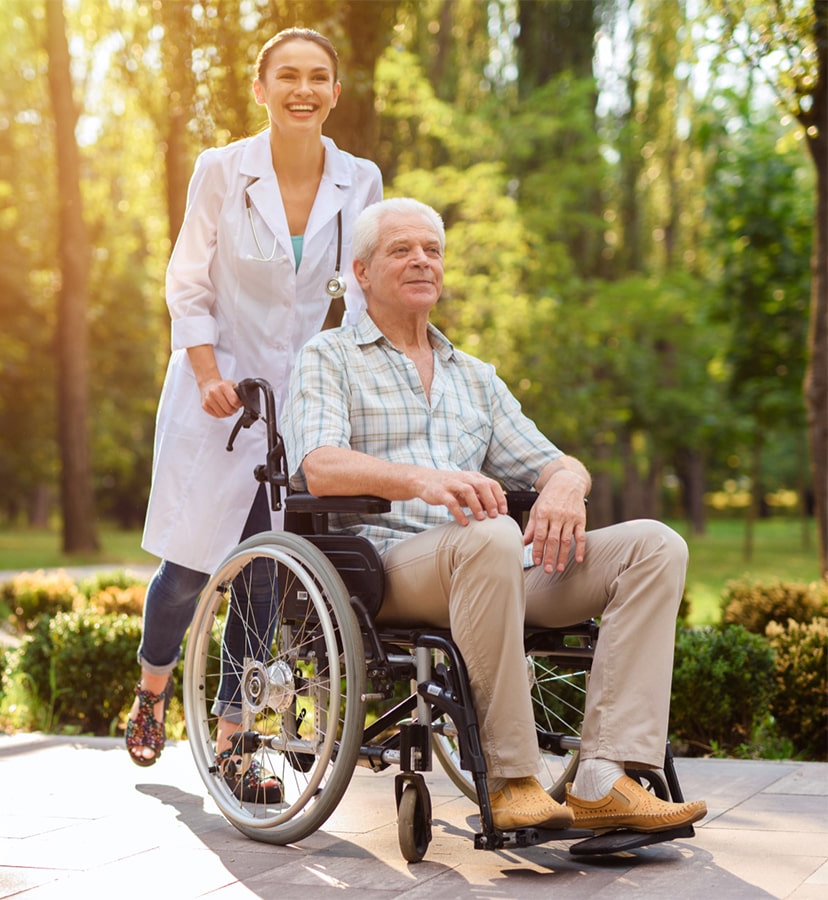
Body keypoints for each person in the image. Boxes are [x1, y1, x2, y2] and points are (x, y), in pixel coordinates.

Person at [281, 198, 707, 833]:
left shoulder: (473, 377)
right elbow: (320, 465)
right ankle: (512, 778)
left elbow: (551, 460)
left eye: (432, 250)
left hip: (500, 561)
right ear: (363, 271)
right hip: (388, 565)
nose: (422, 260)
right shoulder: (329, 356)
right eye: (402, 250)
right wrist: (422, 481)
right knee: (488, 534)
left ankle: (603, 778)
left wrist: (567, 486)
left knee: (654, 545)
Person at [127, 28, 383, 803]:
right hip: (220, 393)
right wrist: (207, 373)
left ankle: (234, 742)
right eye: (288, 77)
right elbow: (188, 280)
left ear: (335, 92)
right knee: (188, 569)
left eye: (318, 78)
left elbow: (362, 291)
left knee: (268, 573)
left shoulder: (360, 179)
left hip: (301, 401)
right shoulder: (221, 170)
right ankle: (151, 687)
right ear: (263, 87)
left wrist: (351, 382)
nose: (303, 90)